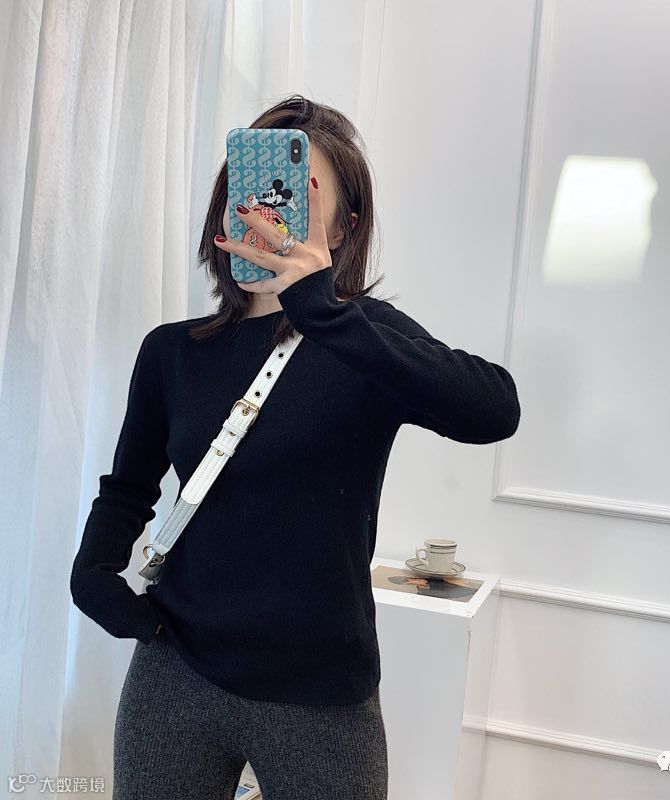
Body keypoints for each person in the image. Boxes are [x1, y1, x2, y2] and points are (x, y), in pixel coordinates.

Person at [70, 94, 521, 800]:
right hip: (177, 670)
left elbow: (493, 410)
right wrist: (93, 569)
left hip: (322, 694)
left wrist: (323, 309)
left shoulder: (365, 339)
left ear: (343, 226)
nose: (265, 211)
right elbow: (128, 489)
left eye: (297, 198)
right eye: (249, 190)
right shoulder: (172, 352)